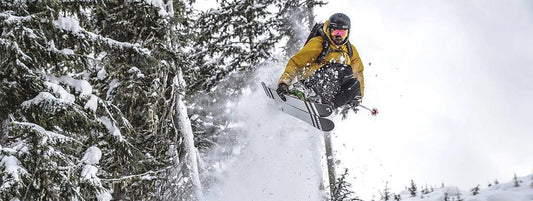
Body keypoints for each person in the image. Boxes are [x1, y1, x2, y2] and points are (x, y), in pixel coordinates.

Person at [276, 13, 364, 109]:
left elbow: (358, 72)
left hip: (329, 91)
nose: (339, 37)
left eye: (342, 34)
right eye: (336, 33)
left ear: (348, 33)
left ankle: (326, 106)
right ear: (329, 30)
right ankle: (304, 91)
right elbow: (295, 63)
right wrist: (284, 83)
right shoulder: (318, 43)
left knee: (355, 84)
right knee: (343, 70)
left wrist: (357, 97)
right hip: (312, 80)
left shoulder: (350, 50)